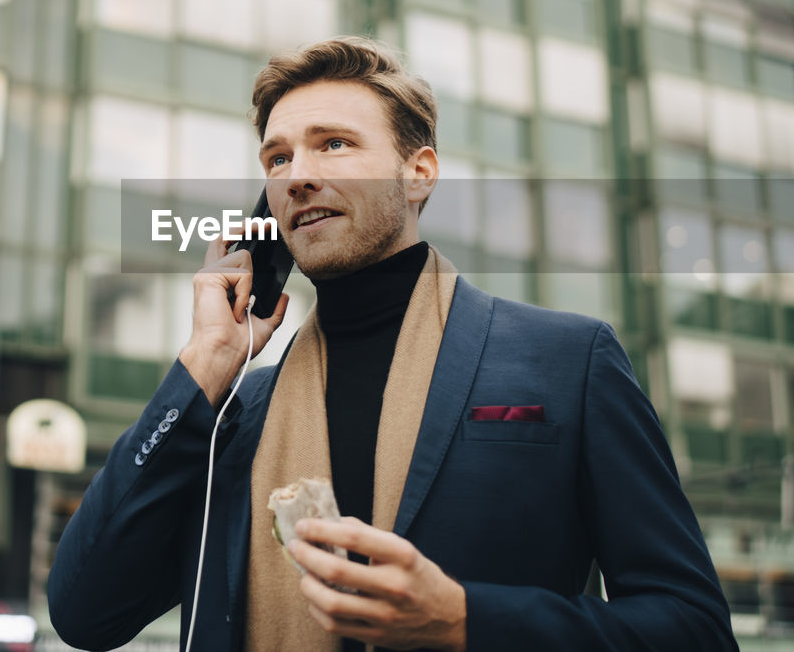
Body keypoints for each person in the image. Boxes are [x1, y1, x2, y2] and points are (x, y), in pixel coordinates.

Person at [47, 37, 739, 652]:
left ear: (419, 173)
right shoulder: (234, 410)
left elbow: (694, 627)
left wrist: (467, 620)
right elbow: (84, 613)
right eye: (277, 157)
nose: (297, 174)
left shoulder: (568, 361)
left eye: (334, 144)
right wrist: (206, 363)